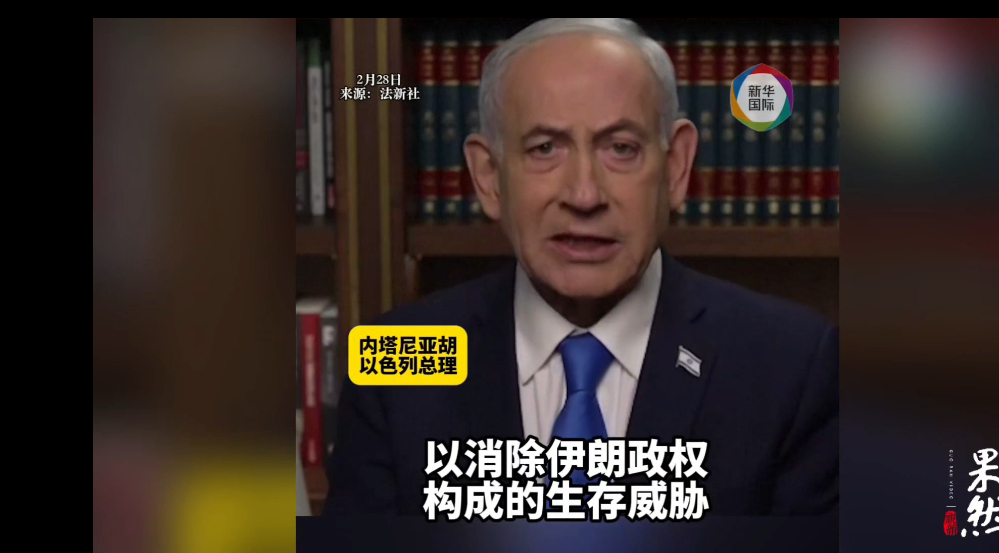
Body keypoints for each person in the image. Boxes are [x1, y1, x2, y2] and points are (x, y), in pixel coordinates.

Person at [324, 18, 837, 517]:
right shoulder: (394, 363)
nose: (584, 195)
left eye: (621, 149)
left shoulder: (792, 366)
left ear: (676, 168)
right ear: (489, 176)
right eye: (544, 148)